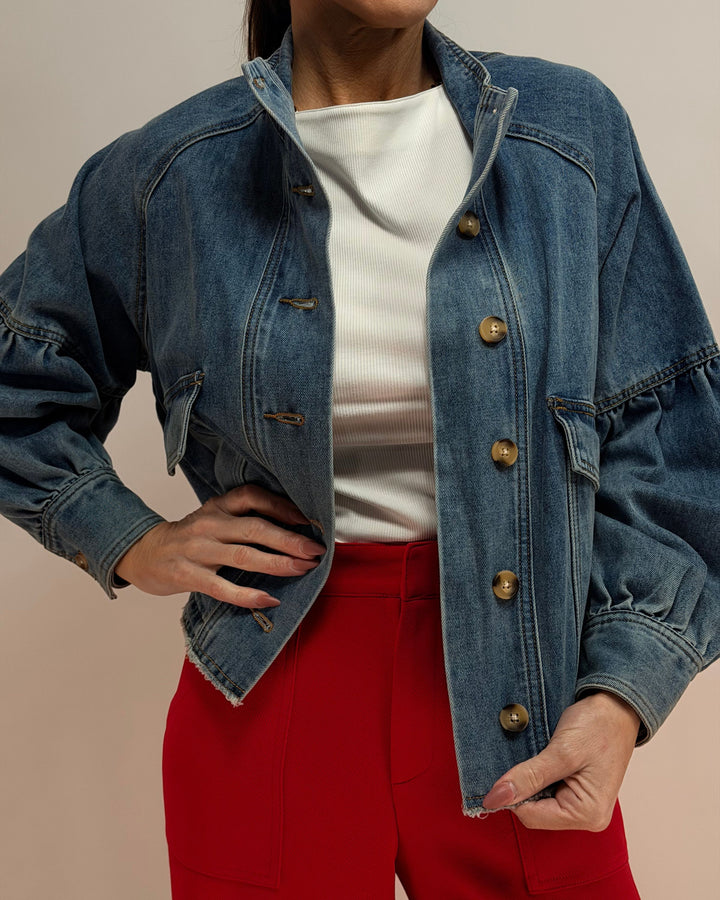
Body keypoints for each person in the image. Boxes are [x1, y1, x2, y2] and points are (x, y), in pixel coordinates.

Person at [0, 0, 718, 897]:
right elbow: (20, 381)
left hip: (525, 702)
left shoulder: (569, 137)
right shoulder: (172, 174)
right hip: (275, 691)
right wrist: (131, 541)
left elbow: (669, 436)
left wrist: (622, 694)